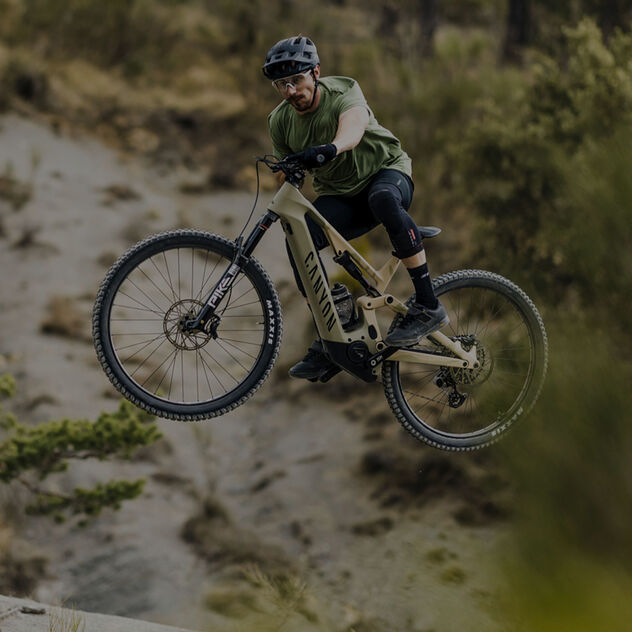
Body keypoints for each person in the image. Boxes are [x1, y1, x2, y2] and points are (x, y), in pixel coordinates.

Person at [263, 35, 448, 380]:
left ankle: (428, 305)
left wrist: (330, 149)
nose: (290, 91)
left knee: (382, 199)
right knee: (298, 239)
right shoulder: (280, 121)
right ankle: (332, 333)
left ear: (315, 72)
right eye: (281, 84)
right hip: (342, 196)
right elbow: (286, 175)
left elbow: (353, 131)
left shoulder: (343, 91)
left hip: (387, 172)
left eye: (297, 80)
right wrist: (286, 180)